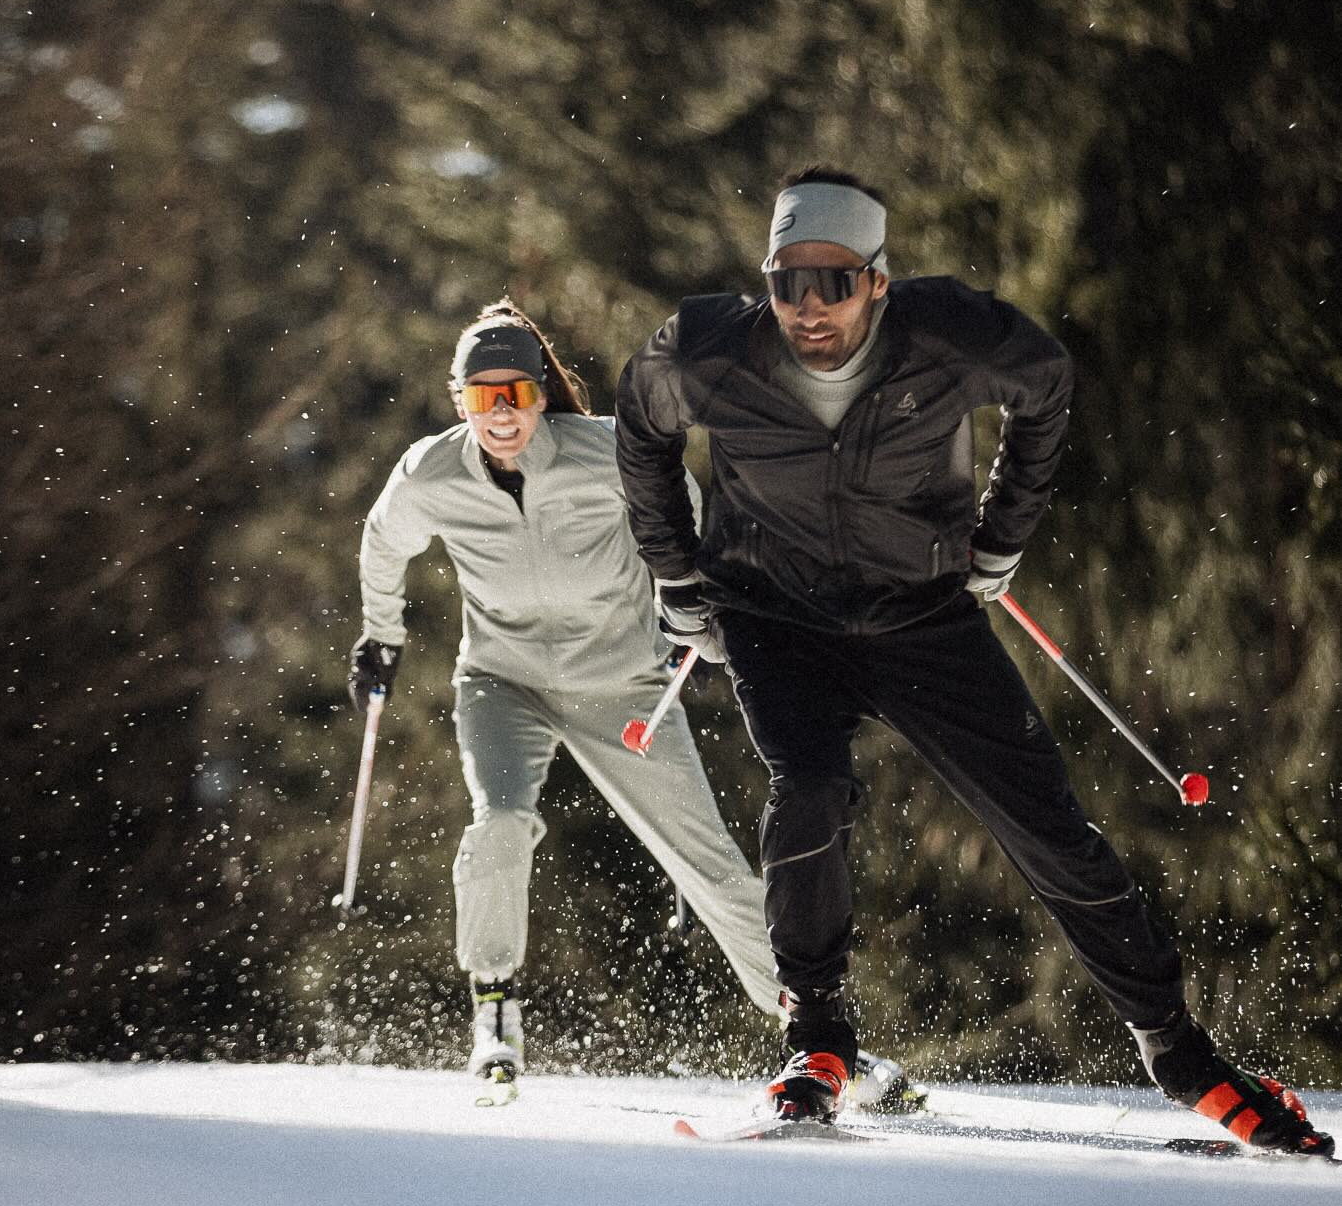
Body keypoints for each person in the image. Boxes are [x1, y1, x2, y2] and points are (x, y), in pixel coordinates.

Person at [613, 167, 1333, 1155]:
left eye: (834, 281)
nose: (808, 308)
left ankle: (1181, 1055)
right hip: (775, 618)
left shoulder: (949, 334)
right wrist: (678, 577)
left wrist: (999, 539)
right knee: (809, 788)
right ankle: (816, 1041)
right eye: (787, 282)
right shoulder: (708, 349)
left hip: (922, 619)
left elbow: (1045, 387)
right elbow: (640, 426)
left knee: (1043, 825)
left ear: (878, 279)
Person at [348, 300, 782, 1094]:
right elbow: (382, 543)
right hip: (502, 682)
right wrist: (381, 638)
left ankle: (815, 1033)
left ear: (542, 393)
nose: (502, 413)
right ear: (461, 403)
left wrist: (694, 604)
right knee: (502, 822)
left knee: (711, 866)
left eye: (515, 393)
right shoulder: (431, 472)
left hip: (621, 686)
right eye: (484, 398)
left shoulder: (607, 452)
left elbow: (681, 513)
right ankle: (495, 1013)